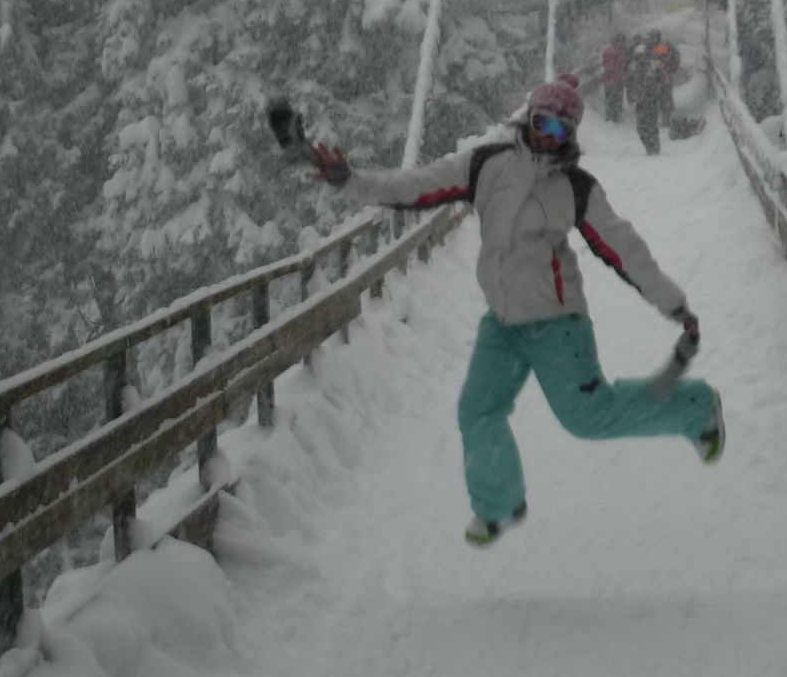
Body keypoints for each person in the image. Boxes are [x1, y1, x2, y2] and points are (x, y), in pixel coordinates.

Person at [302, 73, 725, 546]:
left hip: (558, 324)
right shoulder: (487, 164)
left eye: (561, 130)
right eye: (543, 122)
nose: (548, 136)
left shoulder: (575, 187)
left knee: (588, 419)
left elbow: (624, 249)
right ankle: (499, 504)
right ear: (529, 118)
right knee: (477, 411)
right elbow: (416, 186)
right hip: (502, 323)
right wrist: (350, 181)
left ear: (572, 135)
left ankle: (696, 407)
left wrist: (674, 304)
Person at [627, 41, 662, 154]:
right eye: (639, 56)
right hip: (640, 103)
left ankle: (654, 148)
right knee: (641, 128)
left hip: (652, 102)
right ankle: (649, 146)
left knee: (652, 126)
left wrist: (657, 92)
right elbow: (629, 84)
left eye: (644, 56)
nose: (642, 59)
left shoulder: (654, 67)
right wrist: (630, 97)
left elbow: (661, 81)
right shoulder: (633, 69)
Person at [601, 33, 630, 122]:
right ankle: (610, 118)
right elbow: (608, 66)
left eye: (623, 42)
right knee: (611, 100)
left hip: (618, 80)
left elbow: (625, 64)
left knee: (618, 100)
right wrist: (619, 68)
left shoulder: (622, 52)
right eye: (622, 41)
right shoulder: (610, 51)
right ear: (617, 41)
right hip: (611, 80)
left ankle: (617, 117)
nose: (623, 44)